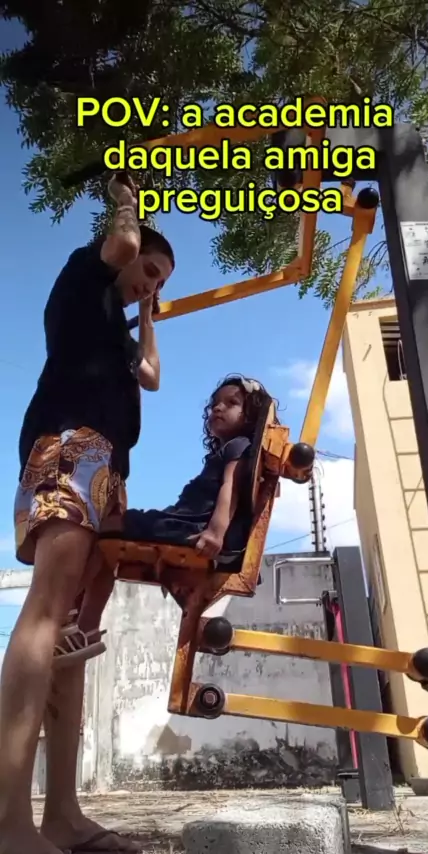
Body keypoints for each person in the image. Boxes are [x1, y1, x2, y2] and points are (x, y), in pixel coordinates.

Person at [0, 174, 175, 854]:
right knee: (47, 612)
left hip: (109, 469)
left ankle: (63, 816)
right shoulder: (83, 277)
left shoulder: (118, 335)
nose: (149, 283)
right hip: (71, 445)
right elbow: (124, 243)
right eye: (149, 272)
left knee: (73, 635)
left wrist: (150, 311)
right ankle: (9, 822)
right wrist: (125, 199)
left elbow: (152, 375)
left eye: (160, 280)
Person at [55, 376, 276, 660]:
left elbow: (229, 490)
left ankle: (66, 616)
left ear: (250, 415)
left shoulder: (239, 447)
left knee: (104, 526)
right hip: (182, 522)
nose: (218, 408)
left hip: (190, 527)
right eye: (214, 404)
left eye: (231, 403)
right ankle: (85, 627)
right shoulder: (229, 450)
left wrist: (216, 532)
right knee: (107, 542)